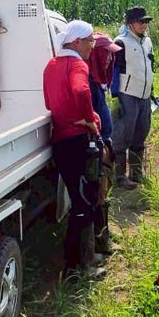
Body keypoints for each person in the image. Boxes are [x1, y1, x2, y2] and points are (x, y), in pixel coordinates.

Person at [42, 20, 103, 279]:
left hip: (60, 142)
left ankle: (79, 261)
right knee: (84, 204)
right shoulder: (78, 65)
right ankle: (78, 267)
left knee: (78, 200)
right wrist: (89, 119)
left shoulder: (51, 65)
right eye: (90, 41)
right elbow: (80, 90)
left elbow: (48, 102)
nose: (92, 46)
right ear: (77, 42)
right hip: (77, 143)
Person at [111, 6, 155, 188]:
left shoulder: (147, 41)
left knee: (141, 133)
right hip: (127, 94)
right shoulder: (121, 42)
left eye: (146, 21)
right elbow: (114, 70)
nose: (144, 25)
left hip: (144, 95)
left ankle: (136, 174)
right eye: (140, 22)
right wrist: (115, 97)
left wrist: (152, 91)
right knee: (122, 135)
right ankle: (119, 176)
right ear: (130, 24)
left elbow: (150, 66)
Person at [87, 32, 121, 255]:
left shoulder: (99, 81)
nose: (109, 59)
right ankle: (99, 245)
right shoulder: (89, 82)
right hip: (96, 146)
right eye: (106, 54)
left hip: (104, 144)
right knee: (98, 196)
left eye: (111, 55)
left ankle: (103, 239)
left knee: (104, 193)